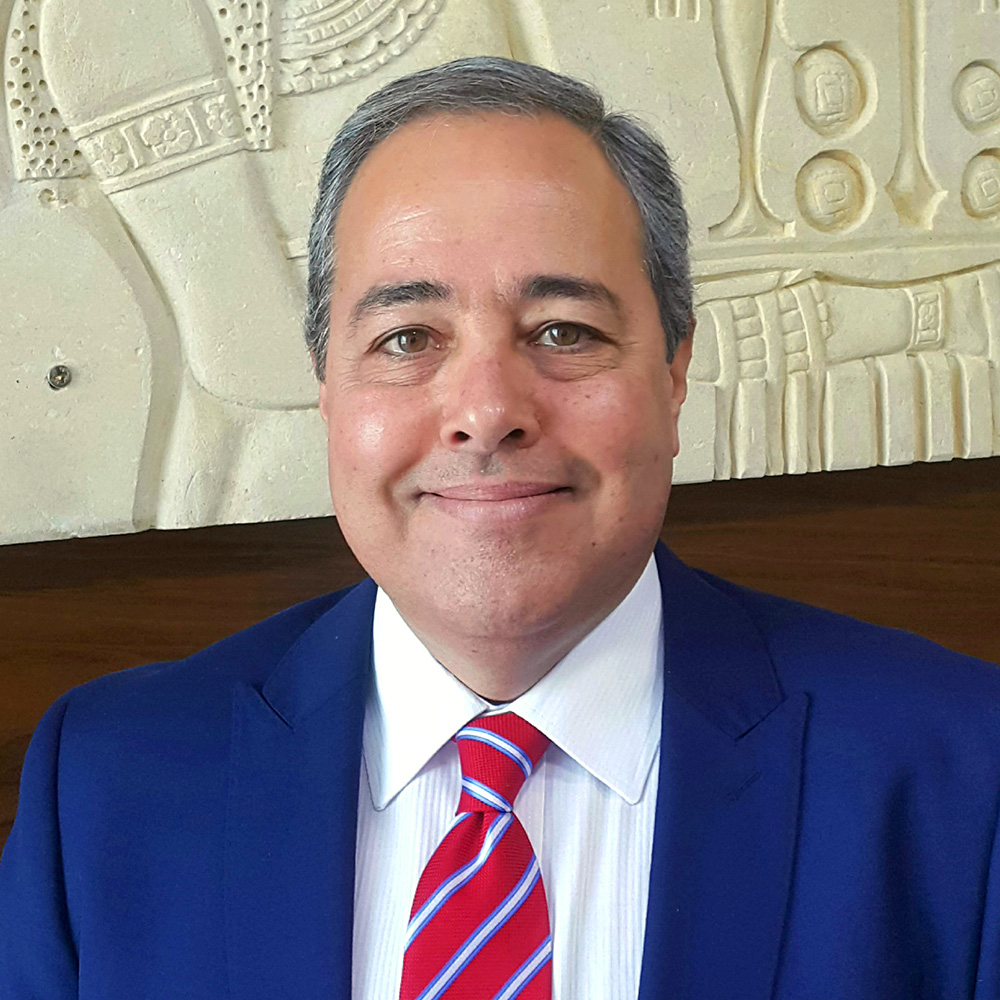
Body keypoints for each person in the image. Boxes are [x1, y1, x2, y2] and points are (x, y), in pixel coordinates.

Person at [1, 55, 999, 1000]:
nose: (486, 411)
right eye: (407, 338)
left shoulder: (960, 774)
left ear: (674, 371)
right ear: (326, 389)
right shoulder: (110, 784)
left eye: (563, 331)